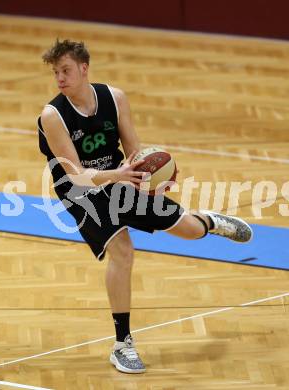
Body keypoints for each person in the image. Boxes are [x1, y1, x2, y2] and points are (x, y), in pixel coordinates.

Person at [38, 39, 253, 374]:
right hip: (81, 193)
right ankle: (122, 344)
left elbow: (135, 151)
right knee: (123, 251)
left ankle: (208, 221)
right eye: (55, 73)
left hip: (122, 177)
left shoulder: (115, 98)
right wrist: (119, 174)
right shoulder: (53, 116)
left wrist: (147, 177)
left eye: (65, 70)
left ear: (84, 68)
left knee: (192, 231)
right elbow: (77, 176)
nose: (60, 79)